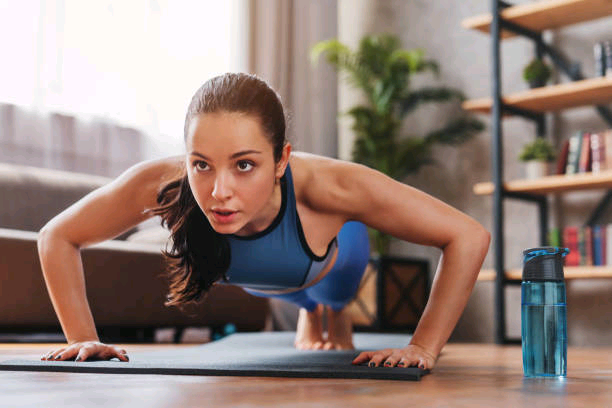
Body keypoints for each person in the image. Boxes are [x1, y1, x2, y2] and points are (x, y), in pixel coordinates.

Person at [38, 72, 490, 370]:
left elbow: (467, 235)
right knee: (291, 293)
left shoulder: (331, 186)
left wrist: (423, 346)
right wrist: (82, 338)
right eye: (202, 164)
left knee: (332, 293)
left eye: (245, 165)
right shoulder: (162, 183)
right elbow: (57, 236)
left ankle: (328, 309)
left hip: (333, 255)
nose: (219, 191)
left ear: (281, 161)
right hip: (265, 275)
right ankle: (310, 312)